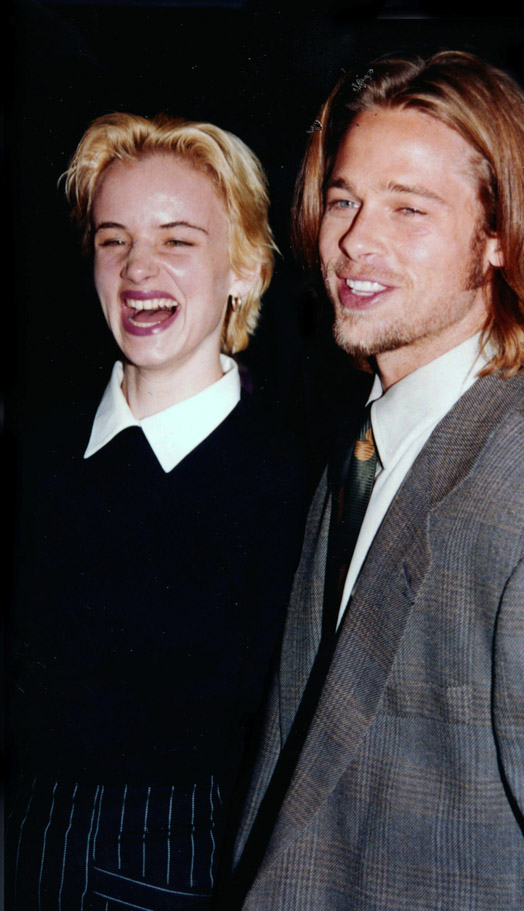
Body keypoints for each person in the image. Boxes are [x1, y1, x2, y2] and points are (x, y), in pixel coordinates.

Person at [224, 52, 524, 910]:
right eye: (344, 199)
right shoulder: (368, 441)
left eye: (409, 209)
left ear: (498, 240)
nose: (356, 240)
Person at [6, 113, 305, 910]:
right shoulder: (35, 452)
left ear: (244, 266)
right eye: (114, 240)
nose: (139, 270)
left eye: (177, 240)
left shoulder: (288, 486)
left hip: (174, 879)